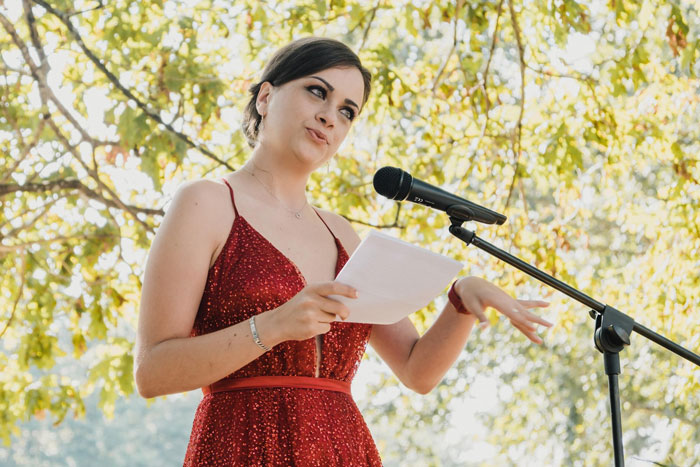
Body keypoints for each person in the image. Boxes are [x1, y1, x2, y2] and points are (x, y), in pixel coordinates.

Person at [134, 37, 552, 466]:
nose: (329, 117)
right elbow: (152, 372)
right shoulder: (205, 202)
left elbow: (416, 370)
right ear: (265, 96)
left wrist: (462, 298)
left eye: (347, 111)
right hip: (240, 448)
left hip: (343, 450)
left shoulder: (342, 235)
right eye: (317, 91)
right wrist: (273, 326)